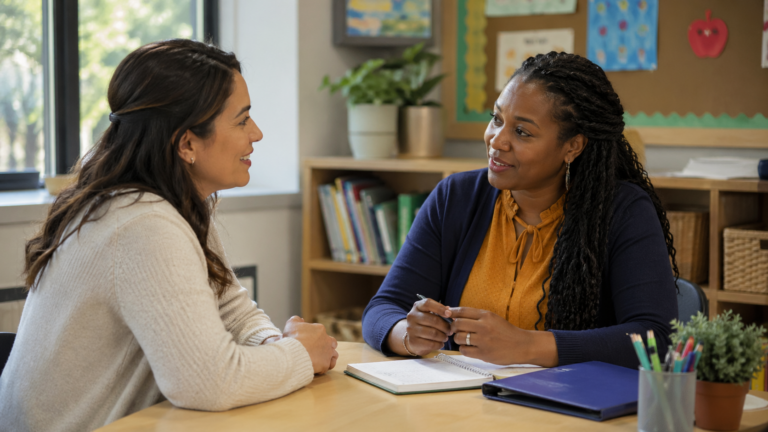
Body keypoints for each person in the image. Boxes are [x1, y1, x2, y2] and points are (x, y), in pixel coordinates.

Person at [0, 40, 337, 432]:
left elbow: (233, 310)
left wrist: (271, 343)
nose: (257, 134)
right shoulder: (142, 224)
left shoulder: (172, 201)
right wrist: (298, 354)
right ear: (187, 143)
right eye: (243, 120)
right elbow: (208, 383)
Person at [362, 52, 678, 369]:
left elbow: (656, 339)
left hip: (567, 410)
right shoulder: (454, 198)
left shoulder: (623, 211)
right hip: (461, 405)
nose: (496, 141)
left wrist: (527, 346)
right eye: (497, 119)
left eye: (522, 132)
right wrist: (407, 334)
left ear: (573, 147)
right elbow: (383, 307)